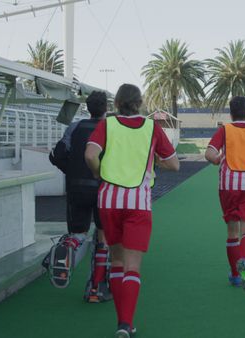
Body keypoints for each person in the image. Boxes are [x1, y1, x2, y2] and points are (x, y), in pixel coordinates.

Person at [85, 84, 179, 338]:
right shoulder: (152, 128)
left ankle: (122, 321)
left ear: (116, 104)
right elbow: (174, 164)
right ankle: (126, 324)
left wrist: (99, 172)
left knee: (116, 261)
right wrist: (156, 160)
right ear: (139, 103)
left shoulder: (107, 125)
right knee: (133, 266)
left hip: (109, 200)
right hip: (138, 202)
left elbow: (90, 154)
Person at [46, 91, 112, 302]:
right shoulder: (111, 129)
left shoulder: (74, 127)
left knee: (78, 232)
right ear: (106, 108)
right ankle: (96, 290)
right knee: (103, 237)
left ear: (88, 107)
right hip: (104, 189)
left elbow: (58, 155)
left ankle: (68, 247)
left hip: (77, 188)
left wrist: (72, 171)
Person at [205, 96, 245, 291]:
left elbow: (209, 153)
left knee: (232, 232)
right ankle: (244, 259)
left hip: (228, 185)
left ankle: (236, 275)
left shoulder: (225, 130)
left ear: (231, 112)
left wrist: (217, 159)